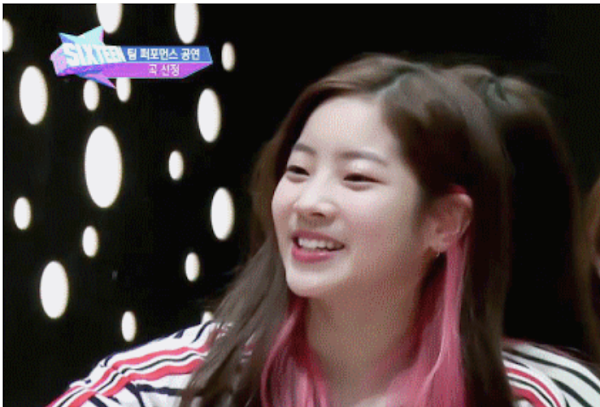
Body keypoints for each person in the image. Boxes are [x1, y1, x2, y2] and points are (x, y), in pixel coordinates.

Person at [46, 54, 600, 407]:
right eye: (297, 171)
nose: (309, 203)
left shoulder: (544, 395)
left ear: (445, 222)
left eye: (357, 178)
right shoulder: (165, 385)